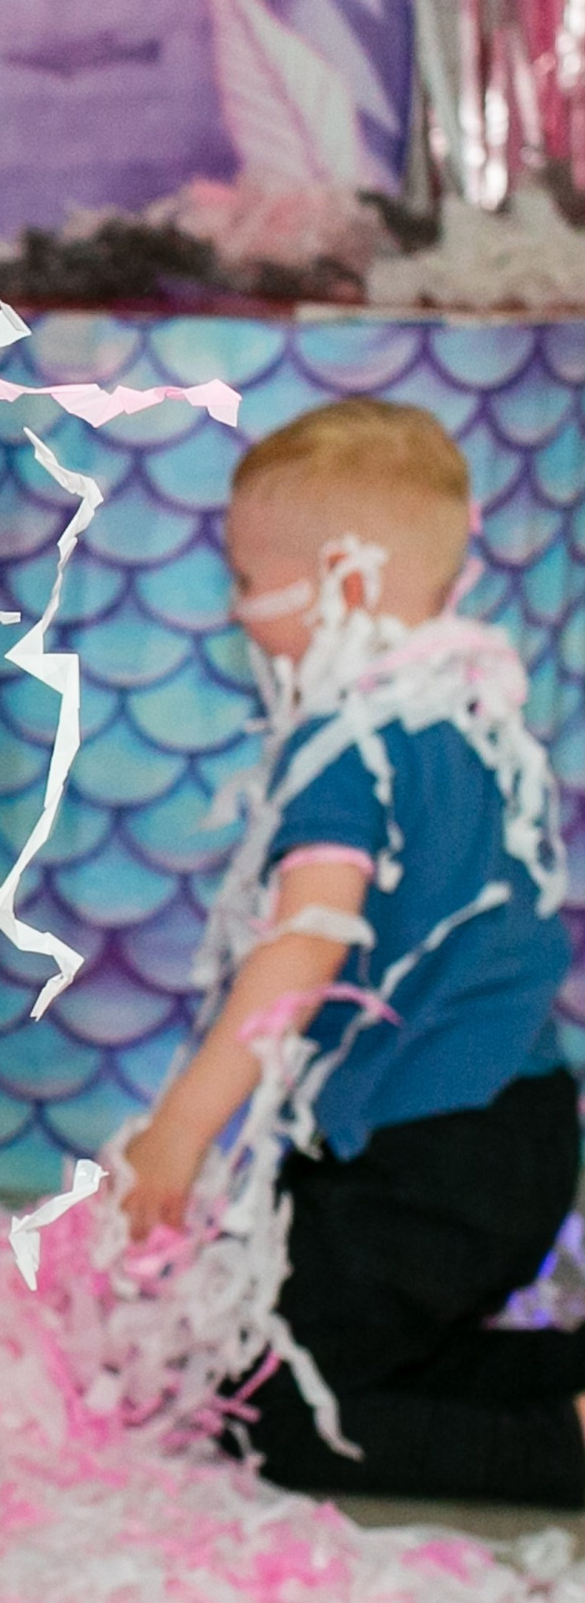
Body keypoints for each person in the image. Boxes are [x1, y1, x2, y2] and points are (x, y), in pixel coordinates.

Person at [119, 396, 584, 1505]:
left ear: (345, 581)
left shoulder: (349, 749)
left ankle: (560, 1448)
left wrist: (179, 1128)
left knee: (272, 1416)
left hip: (432, 1159)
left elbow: (302, 949)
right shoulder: (465, 711)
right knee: (336, 1355)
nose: (234, 610)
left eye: (243, 580)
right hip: (501, 1135)